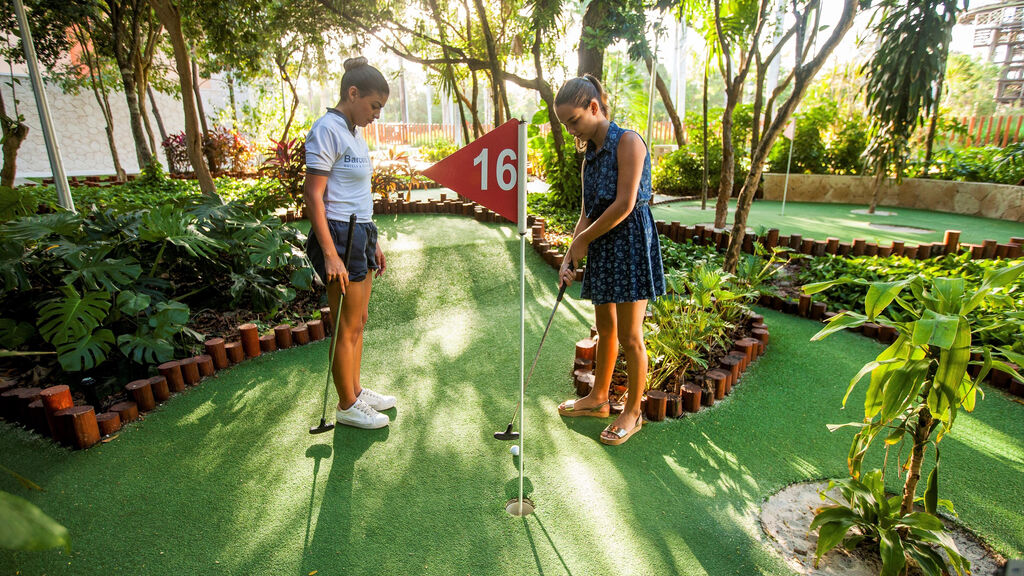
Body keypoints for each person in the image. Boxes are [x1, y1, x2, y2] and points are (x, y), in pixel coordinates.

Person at [553, 75, 665, 446]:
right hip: (603, 243)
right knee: (605, 329)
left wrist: (585, 240)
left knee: (632, 335)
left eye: (574, 120)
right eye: (565, 123)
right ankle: (599, 399)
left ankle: (632, 412)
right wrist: (571, 252)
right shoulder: (589, 158)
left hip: (630, 241)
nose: (571, 130)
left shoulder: (628, 142)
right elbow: (587, 212)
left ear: (594, 108)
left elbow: (625, 204)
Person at [303, 56, 395, 429]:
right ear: (352, 93)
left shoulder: (353, 132)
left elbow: (357, 192)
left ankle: (355, 391)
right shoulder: (327, 129)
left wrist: (372, 240)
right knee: (346, 324)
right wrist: (330, 254)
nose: (377, 115)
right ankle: (346, 405)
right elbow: (313, 195)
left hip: (360, 232)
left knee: (359, 320)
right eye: (374, 106)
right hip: (339, 235)